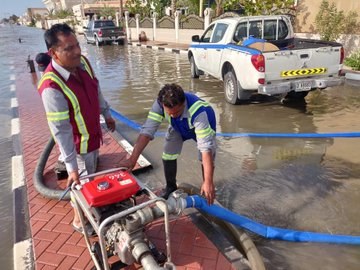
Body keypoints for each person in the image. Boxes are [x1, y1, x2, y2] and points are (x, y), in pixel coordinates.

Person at [37, 23, 116, 233]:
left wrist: (106, 114)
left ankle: (88, 210)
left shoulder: (83, 63)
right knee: (80, 184)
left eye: (77, 45)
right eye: (68, 49)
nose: (77, 52)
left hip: (93, 136)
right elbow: (61, 130)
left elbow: (96, 89)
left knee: (89, 180)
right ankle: (79, 221)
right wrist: (71, 167)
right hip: (77, 146)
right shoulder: (51, 86)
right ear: (53, 53)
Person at [120, 83, 216, 205]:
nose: (173, 116)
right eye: (169, 113)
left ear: (183, 103)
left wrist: (208, 182)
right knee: (168, 153)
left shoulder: (198, 112)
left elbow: (205, 149)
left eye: (176, 112)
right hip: (178, 127)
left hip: (204, 124)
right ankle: (171, 187)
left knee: (205, 157)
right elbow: (146, 132)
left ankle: (206, 188)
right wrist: (133, 159)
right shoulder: (159, 105)